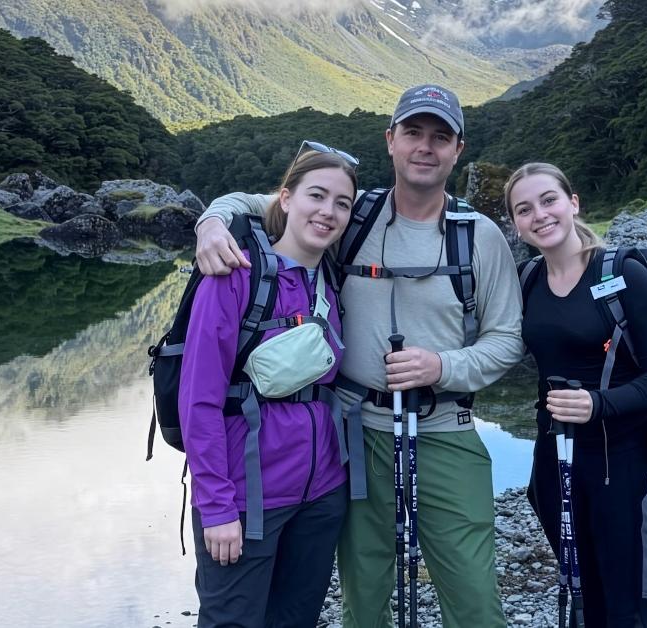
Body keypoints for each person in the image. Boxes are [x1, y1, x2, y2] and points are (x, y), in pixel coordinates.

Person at [193, 85, 523, 628]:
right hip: (352, 436)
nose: (425, 147)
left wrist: (444, 367)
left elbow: (507, 338)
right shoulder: (352, 213)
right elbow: (259, 203)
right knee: (363, 595)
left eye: (440, 137)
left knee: (474, 596)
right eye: (413, 133)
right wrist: (210, 221)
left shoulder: (478, 237)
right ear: (390, 140)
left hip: (445, 430)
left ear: (457, 150)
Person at [179, 145, 358, 627]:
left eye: (342, 203)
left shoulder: (334, 280)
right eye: (316, 196)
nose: (328, 211)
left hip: (322, 497)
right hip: (246, 497)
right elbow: (198, 401)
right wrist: (215, 507)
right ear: (284, 198)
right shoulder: (234, 275)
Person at [506, 162, 647, 627]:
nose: (540, 215)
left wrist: (597, 404)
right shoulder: (526, 281)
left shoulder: (624, 274)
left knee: (625, 604)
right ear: (516, 223)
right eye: (524, 209)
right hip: (554, 456)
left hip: (626, 460)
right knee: (580, 591)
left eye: (548, 200)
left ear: (573, 202)